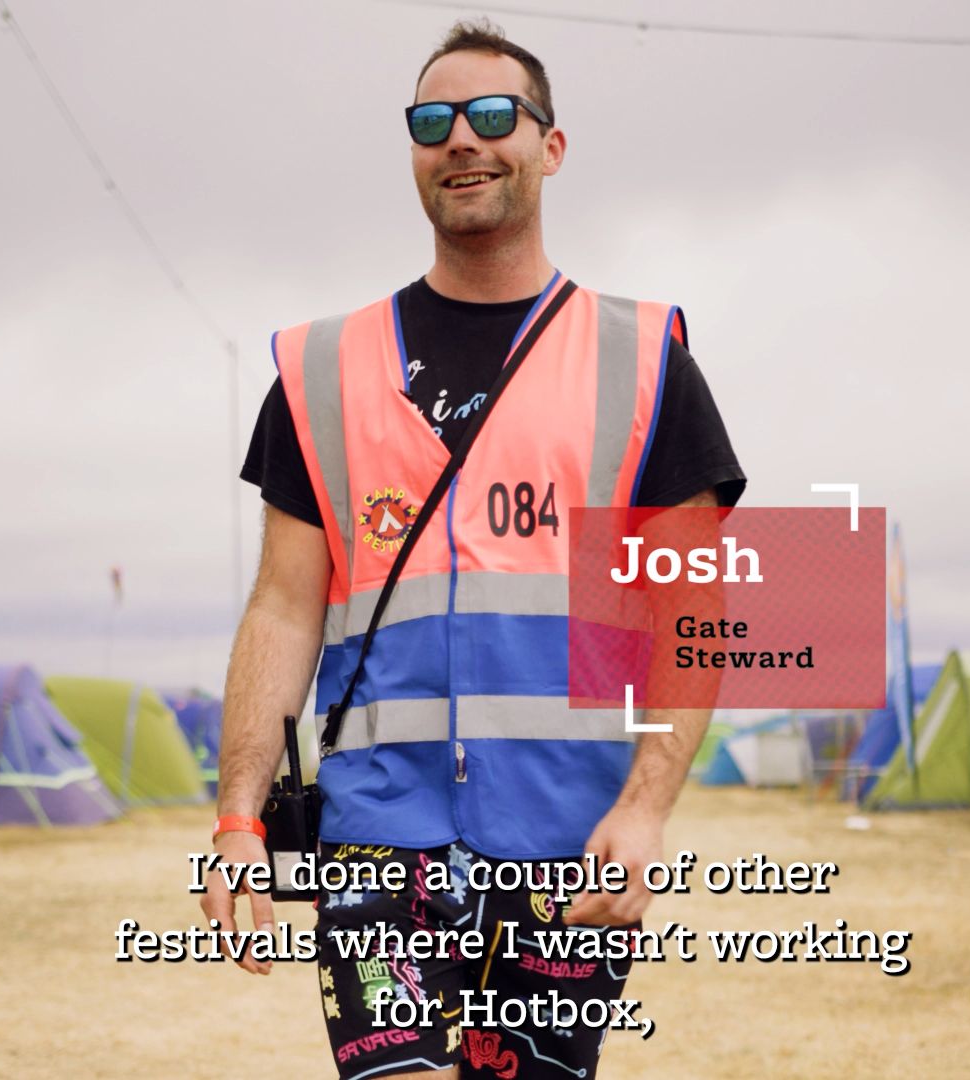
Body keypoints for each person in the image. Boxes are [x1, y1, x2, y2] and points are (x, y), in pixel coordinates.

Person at [203, 19, 745, 1079]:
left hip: (570, 839)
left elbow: (697, 609)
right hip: (376, 836)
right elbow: (281, 606)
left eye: (495, 115)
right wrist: (236, 818)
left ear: (550, 147)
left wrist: (645, 812)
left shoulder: (644, 363)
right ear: (411, 149)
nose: (464, 140)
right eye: (434, 120)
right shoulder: (321, 369)